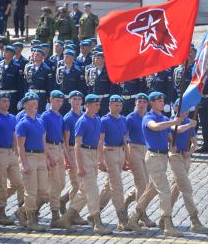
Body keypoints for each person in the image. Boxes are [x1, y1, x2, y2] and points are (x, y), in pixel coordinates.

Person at [127, 91, 184, 237]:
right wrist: (173, 122)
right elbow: (156, 127)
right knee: (164, 190)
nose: (162, 103)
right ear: (152, 103)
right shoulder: (148, 117)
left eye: (163, 100)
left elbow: (170, 137)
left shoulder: (164, 118)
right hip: (153, 157)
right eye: (159, 101)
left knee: (150, 190)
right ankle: (167, 223)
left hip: (163, 157)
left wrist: (176, 138)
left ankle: (134, 219)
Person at [54, 94, 112, 235]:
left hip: (92, 155)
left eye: (99, 104)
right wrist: (79, 166)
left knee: (83, 190)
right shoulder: (82, 121)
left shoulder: (97, 119)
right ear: (88, 105)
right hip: (84, 154)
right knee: (92, 189)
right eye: (96, 104)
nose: (98, 106)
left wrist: (100, 159)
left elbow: (98, 142)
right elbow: (77, 146)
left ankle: (65, 218)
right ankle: (97, 223)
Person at [166, 98, 208, 233]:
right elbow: (176, 130)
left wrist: (189, 152)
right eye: (181, 109)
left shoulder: (188, 122)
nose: (184, 112)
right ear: (176, 109)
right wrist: (190, 125)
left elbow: (194, 143)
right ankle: (194, 219)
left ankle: (165, 216)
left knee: (176, 188)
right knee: (186, 188)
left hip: (185, 158)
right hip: (175, 157)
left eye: (186, 109)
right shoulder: (173, 120)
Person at [0, 92, 24, 225]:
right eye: (3, 101)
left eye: (7, 101)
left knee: (18, 182)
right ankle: (0, 212)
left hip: (10, 152)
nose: (6, 104)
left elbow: (13, 134)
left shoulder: (12, 117)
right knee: (0, 183)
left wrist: (16, 150)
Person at [15, 92, 50, 231]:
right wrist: (24, 163)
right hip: (29, 157)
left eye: (36, 101)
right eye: (31, 101)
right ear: (25, 105)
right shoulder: (22, 124)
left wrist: (46, 158)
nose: (35, 103)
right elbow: (20, 146)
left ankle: (22, 211)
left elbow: (43, 141)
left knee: (43, 190)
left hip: (41, 157)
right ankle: (31, 219)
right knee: (31, 191)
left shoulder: (40, 121)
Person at [124, 93, 156, 227]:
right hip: (134, 149)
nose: (141, 104)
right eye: (139, 102)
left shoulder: (148, 117)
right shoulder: (130, 118)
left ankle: (126, 201)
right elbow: (124, 138)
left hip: (146, 150)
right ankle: (141, 215)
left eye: (144, 102)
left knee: (147, 183)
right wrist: (126, 157)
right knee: (142, 183)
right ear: (135, 103)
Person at [98, 95, 129, 231]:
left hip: (120, 152)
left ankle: (95, 211)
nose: (118, 107)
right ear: (109, 105)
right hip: (109, 151)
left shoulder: (123, 119)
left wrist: (127, 158)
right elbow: (100, 141)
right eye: (115, 105)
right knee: (117, 186)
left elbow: (125, 140)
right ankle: (122, 219)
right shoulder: (104, 120)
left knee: (110, 185)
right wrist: (100, 160)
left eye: (120, 105)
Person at [59, 90, 88, 225]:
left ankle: (63, 200)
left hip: (83, 150)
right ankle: (74, 214)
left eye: (78, 99)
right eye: (74, 99)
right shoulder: (68, 118)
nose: (76, 101)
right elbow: (65, 141)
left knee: (81, 182)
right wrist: (67, 159)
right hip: (71, 149)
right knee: (77, 184)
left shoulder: (83, 115)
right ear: (69, 101)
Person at [40, 90, 66, 227]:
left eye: (61, 101)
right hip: (50, 148)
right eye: (57, 100)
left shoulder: (60, 116)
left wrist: (64, 155)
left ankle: (31, 209)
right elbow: (42, 138)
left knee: (61, 183)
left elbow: (61, 138)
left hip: (59, 149)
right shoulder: (45, 116)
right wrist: (48, 156)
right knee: (55, 183)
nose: (59, 103)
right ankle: (55, 215)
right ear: (50, 100)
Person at [85, 52, 119, 116]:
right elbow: (90, 87)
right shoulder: (92, 71)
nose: (95, 60)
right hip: (95, 100)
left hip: (105, 99)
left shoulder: (109, 71)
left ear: (103, 59)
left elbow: (113, 87)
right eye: (95, 58)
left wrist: (109, 99)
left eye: (98, 58)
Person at [56, 49, 86, 114]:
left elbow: (81, 88)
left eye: (67, 57)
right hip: (61, 99)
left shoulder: (78, 71)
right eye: (64, 57)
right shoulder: (60, 70)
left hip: (73, 100)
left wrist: (81, 103)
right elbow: (57, 85)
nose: (65, 59)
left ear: (72, 59)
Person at [0, 45, 25, 114]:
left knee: (12, 115)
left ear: (12, 54)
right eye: (4, 51)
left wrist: (20, 99)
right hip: (2, 94)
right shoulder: (0, 64)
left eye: (6, 51)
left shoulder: (17, 66)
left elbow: (21, 84)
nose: (4, 52)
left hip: (12, 96)